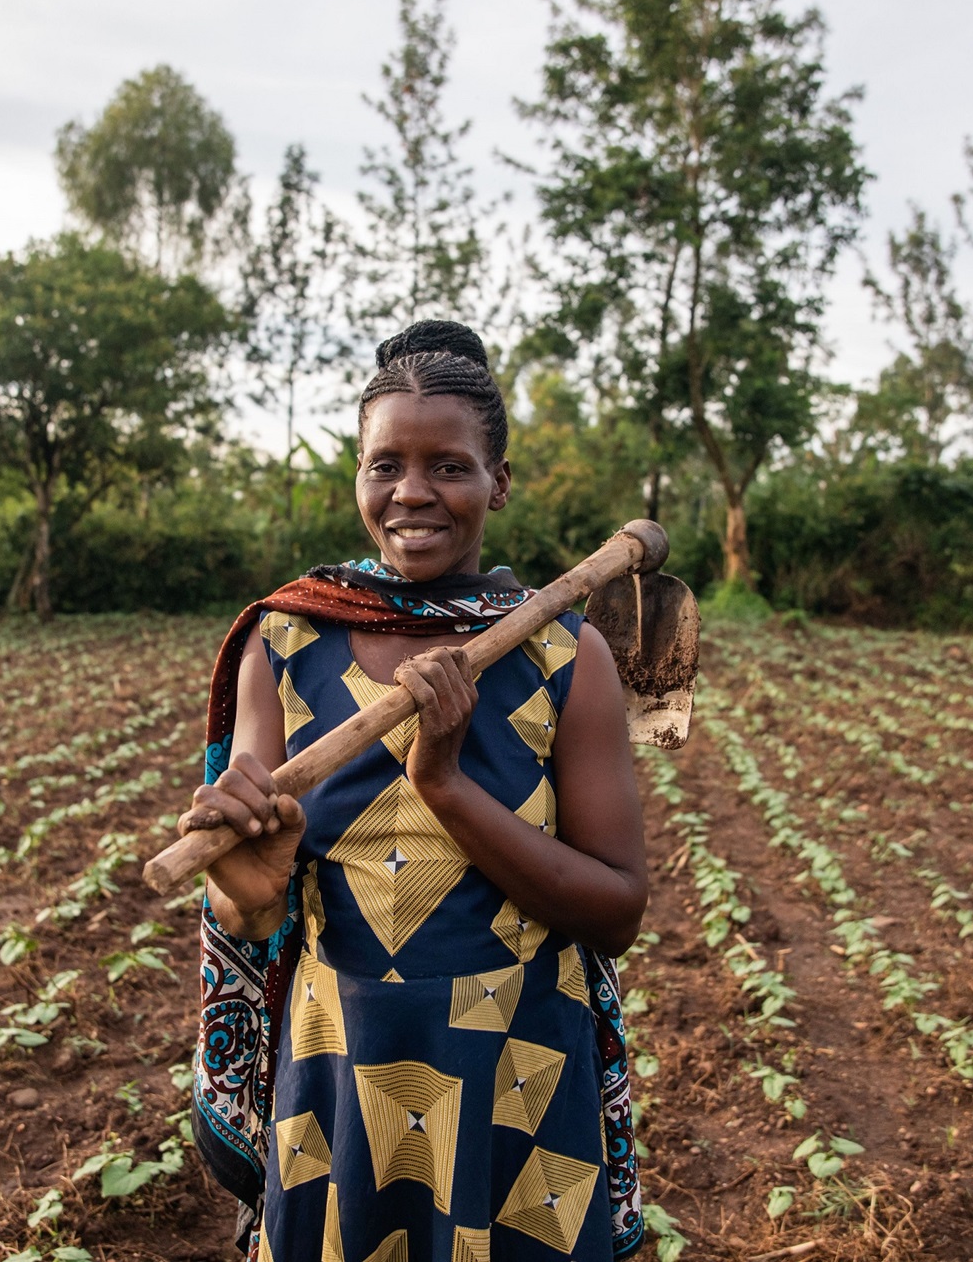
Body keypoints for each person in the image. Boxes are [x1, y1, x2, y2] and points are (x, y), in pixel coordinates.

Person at [186, 320, 649, 1261]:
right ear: (357, 475)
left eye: (448, 465)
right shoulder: (285, 641)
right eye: (384, 464)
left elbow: (616, 910)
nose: (411, 492)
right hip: (337, 1045)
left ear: (498, 484)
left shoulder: (565, 655)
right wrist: (248, 876)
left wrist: (441, 782)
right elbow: (248, 909)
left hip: (517, 1052)